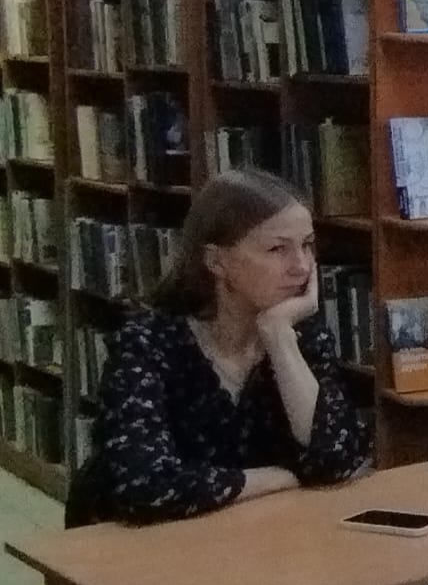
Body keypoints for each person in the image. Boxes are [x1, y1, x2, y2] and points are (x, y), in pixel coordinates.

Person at [94, 169, 371, 522]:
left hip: (261, 532)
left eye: (307, 245)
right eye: (278, 249)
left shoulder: (299, 332)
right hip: (149, 543)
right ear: (216, 261)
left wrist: (278, 337)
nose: (301, 267)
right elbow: (144, 486)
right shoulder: (147, 341)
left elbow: (339, 459)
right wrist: (277, 478)